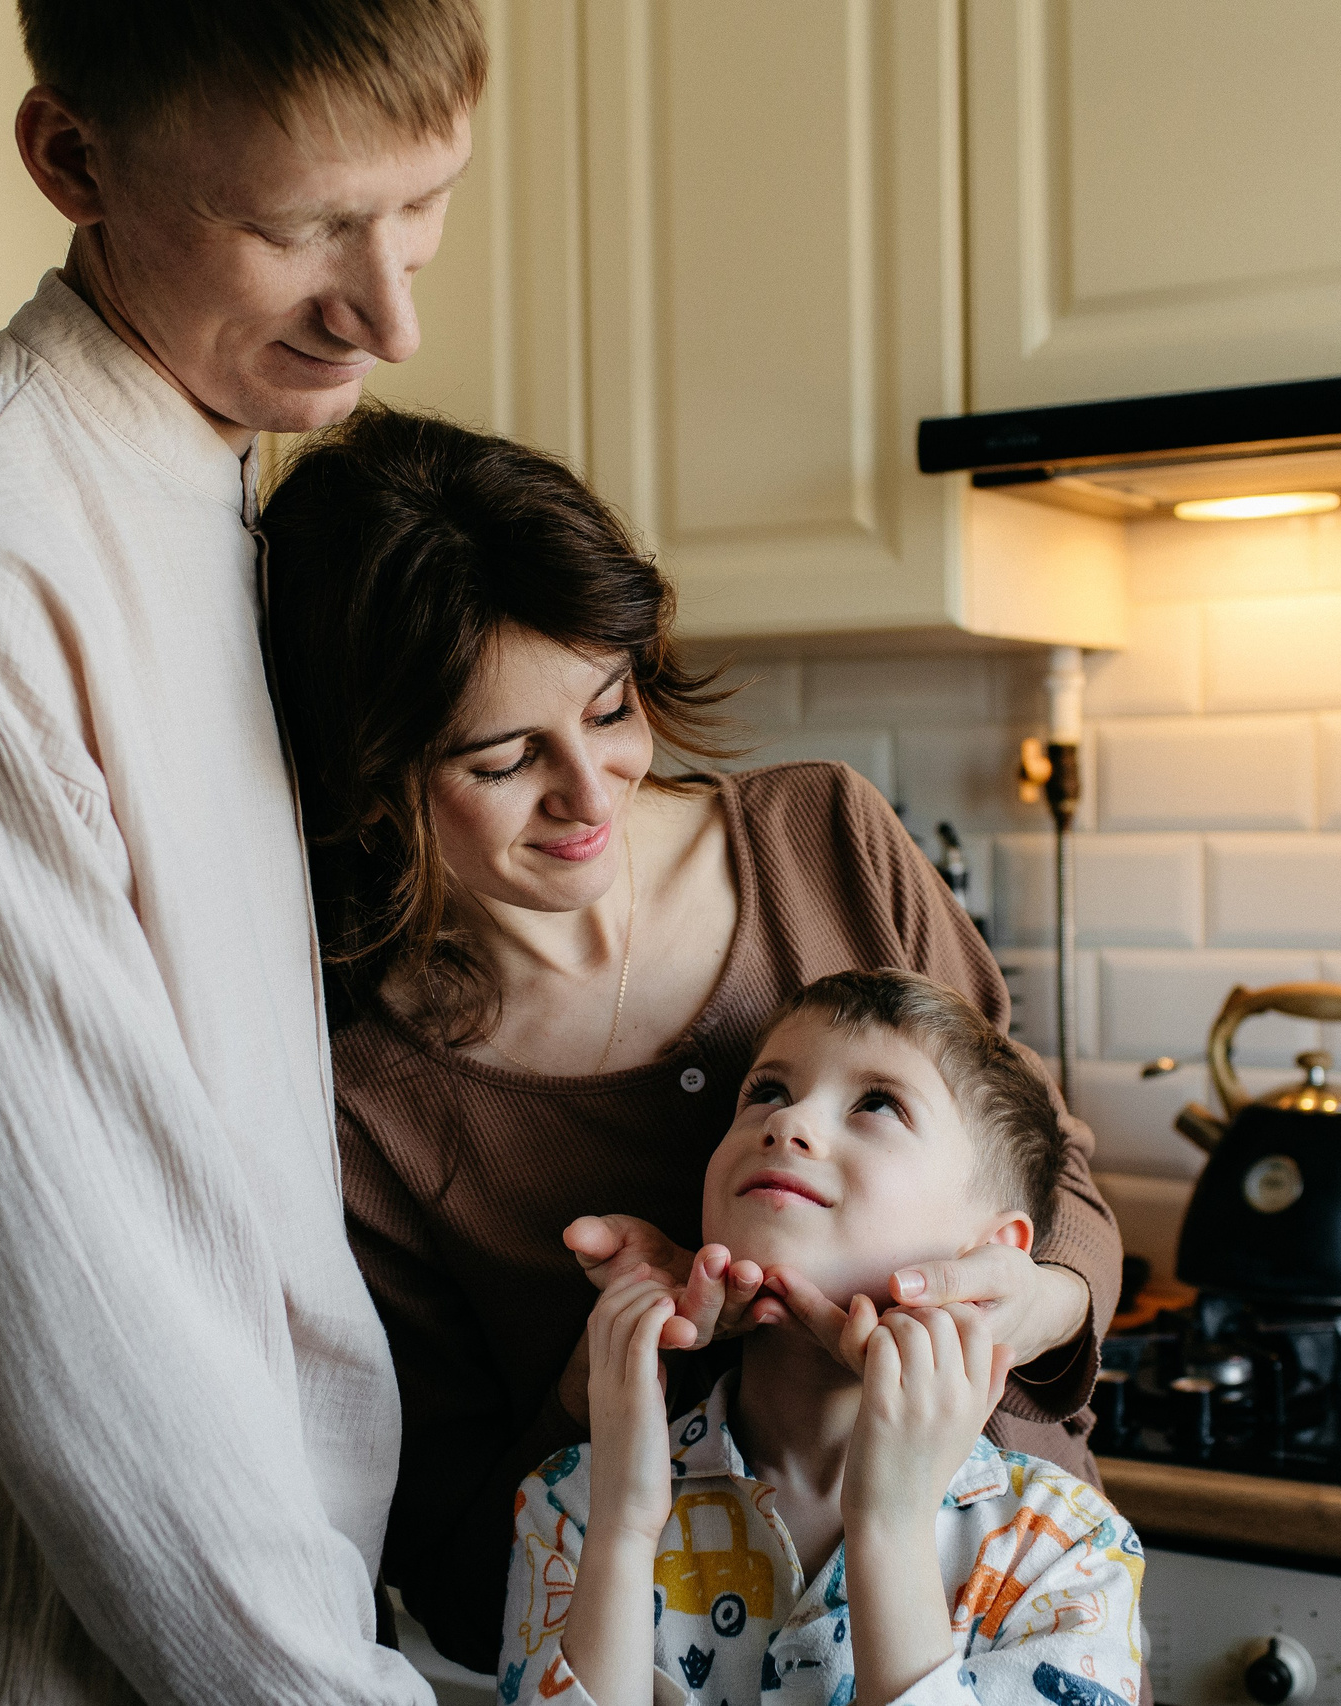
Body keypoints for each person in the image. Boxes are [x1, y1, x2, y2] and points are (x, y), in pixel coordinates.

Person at [0, 5, 481, 1700]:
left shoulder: (195, 479)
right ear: (74, 160)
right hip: (59, 1648)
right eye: (300, 227)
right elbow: (104, 1331)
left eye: (423, 205)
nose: (391, 316)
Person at [259, 406, 1124, 1672]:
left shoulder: (825, 841)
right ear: (364, 781)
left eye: (609, 707)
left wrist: (1035, 1300)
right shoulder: (368, 1096)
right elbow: (456, 1567)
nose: (589, 789)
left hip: (1003, 1634)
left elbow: (1053, 1169)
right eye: (503, 760)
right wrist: (605, 1377)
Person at [508, 970, 1147, 1706]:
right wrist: (622, 1528)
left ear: (990, 1253)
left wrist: (891, 1531)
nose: (788, 1122)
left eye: (878, 1104)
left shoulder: (1067, 1549)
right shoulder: (575, 1505)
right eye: (767, 1091)